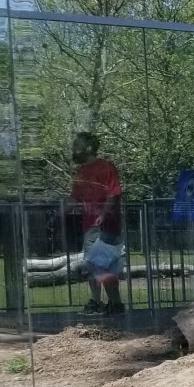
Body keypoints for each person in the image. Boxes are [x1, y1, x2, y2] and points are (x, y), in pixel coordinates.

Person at [68, 132, 126, 315]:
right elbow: (74, 198)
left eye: (77, 144)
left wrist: (103, 213)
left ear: (89, 147)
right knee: (102, 264)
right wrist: (56, 213)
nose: (74, 148)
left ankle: (97, 302)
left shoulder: (105, 167)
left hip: (103, 225)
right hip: (93, 224)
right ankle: (115, 304)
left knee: (94, 263)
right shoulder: (81, 173)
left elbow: (113, 193)